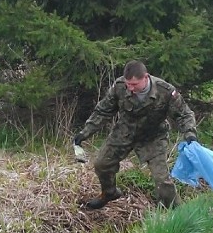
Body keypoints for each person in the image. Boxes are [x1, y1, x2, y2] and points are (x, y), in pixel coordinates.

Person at [73, 60, 198, 210]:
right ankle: (109, 193)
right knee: (101, 164)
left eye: (134, 84)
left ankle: (176, 213)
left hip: (152, 137)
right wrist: (85, 132)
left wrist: (190, 134)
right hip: (124, 132)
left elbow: (184, 114)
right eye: (128, 84)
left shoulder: (164, 90)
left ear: (146, 77)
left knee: (162, 180)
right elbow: (103, 110)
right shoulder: (120, 86)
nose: (130, 89)